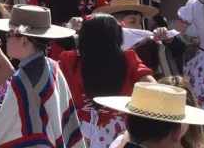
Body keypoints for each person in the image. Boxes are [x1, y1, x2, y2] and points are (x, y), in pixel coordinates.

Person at [0, 5, 83, 147]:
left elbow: (9, 131)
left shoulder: (23, 79)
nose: (5, 41)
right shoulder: (51, 65)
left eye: (8, 35)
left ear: (23, 41)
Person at [58, 14, 155, 148]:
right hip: (118, 133)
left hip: (77, 131)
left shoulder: (70, 61)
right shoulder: (128, 60)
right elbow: (151, 84)